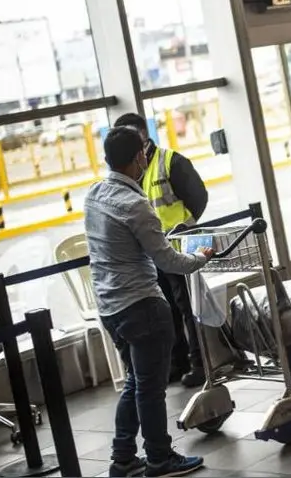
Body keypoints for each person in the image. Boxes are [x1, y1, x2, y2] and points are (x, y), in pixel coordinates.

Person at [84, 126, 212, 477]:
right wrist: (200, 256)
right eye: (143, 152)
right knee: (151, 390)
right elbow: (168, 262)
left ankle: (123, 458)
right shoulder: (135, 205)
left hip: (111, 309)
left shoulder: (94, 195)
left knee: (135, 384)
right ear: (139, 157)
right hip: (142, 307)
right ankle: (159, 458)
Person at [112, 113, 209, 388]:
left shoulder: (170, 161)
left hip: (178, 248)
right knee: (166, 311)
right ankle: (178, 363)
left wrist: (183, 229)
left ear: (145, 136)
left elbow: (198, 198)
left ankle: (200, 363)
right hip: (151, 254)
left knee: (188, 307)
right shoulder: (130, 172)